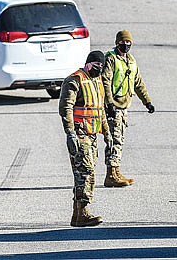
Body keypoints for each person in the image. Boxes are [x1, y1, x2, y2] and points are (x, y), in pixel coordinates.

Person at [59, 50, 112, 227]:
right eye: (96, 66)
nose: (99, 70)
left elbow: (100, 111)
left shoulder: (97, 82)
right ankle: (82, 213)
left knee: (86, 173)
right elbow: (65, 108)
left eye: (102, 67)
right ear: (88, 63)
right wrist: (70, 133)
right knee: (85, 172)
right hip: (80, 135)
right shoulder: (74, 80)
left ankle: (78, 215)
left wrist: (107, 133)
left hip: (92, 135)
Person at [102, 29, 154, 187]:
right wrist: (109, 103)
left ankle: (116, 170)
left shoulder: (131, 60)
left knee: (120, 139)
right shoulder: (110, 59)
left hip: (124, 107)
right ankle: (111, 174)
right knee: (114, 139)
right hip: (114, 107)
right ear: (116, 42)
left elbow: (138, 83)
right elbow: (105, 81)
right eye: (122, 42)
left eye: (128, 42)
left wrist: (147, 102)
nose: (125, 45)